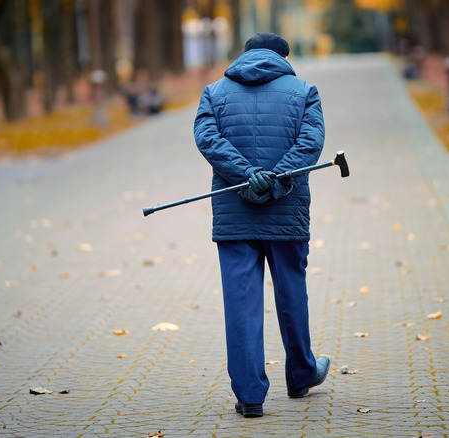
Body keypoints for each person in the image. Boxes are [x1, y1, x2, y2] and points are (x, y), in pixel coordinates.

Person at [193, 32, 330, 418]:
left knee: (241, 303)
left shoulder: (213, 92)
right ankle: (302, 374)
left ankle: (251, 396)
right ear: (283, 57)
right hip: (286, 212)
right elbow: (310, 143)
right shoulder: (304, 91)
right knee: (292, 294)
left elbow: (206, 137)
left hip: (235, 213)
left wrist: (247, 175)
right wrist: (276, 180)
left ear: (245, 55)